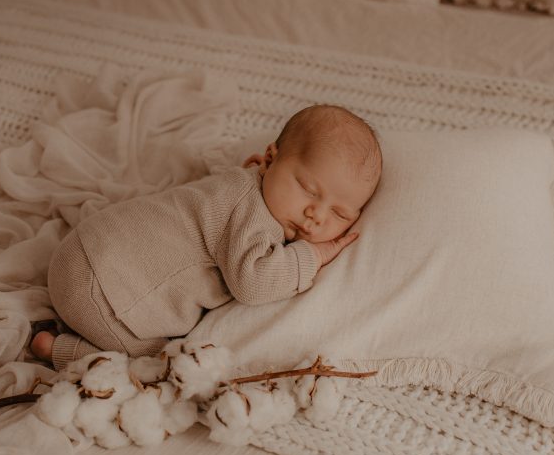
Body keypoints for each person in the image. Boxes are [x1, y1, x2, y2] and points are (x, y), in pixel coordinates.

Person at [31, 104, 382, 370]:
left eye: (340, 214)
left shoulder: (236, 184)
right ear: (269, 159)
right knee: (166, 365)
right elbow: (254, 283)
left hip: (85, 253)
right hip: (97, 286)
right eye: (307, 188)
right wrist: (315, 255)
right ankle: (58, 350)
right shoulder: (252, 212)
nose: (316, 216)